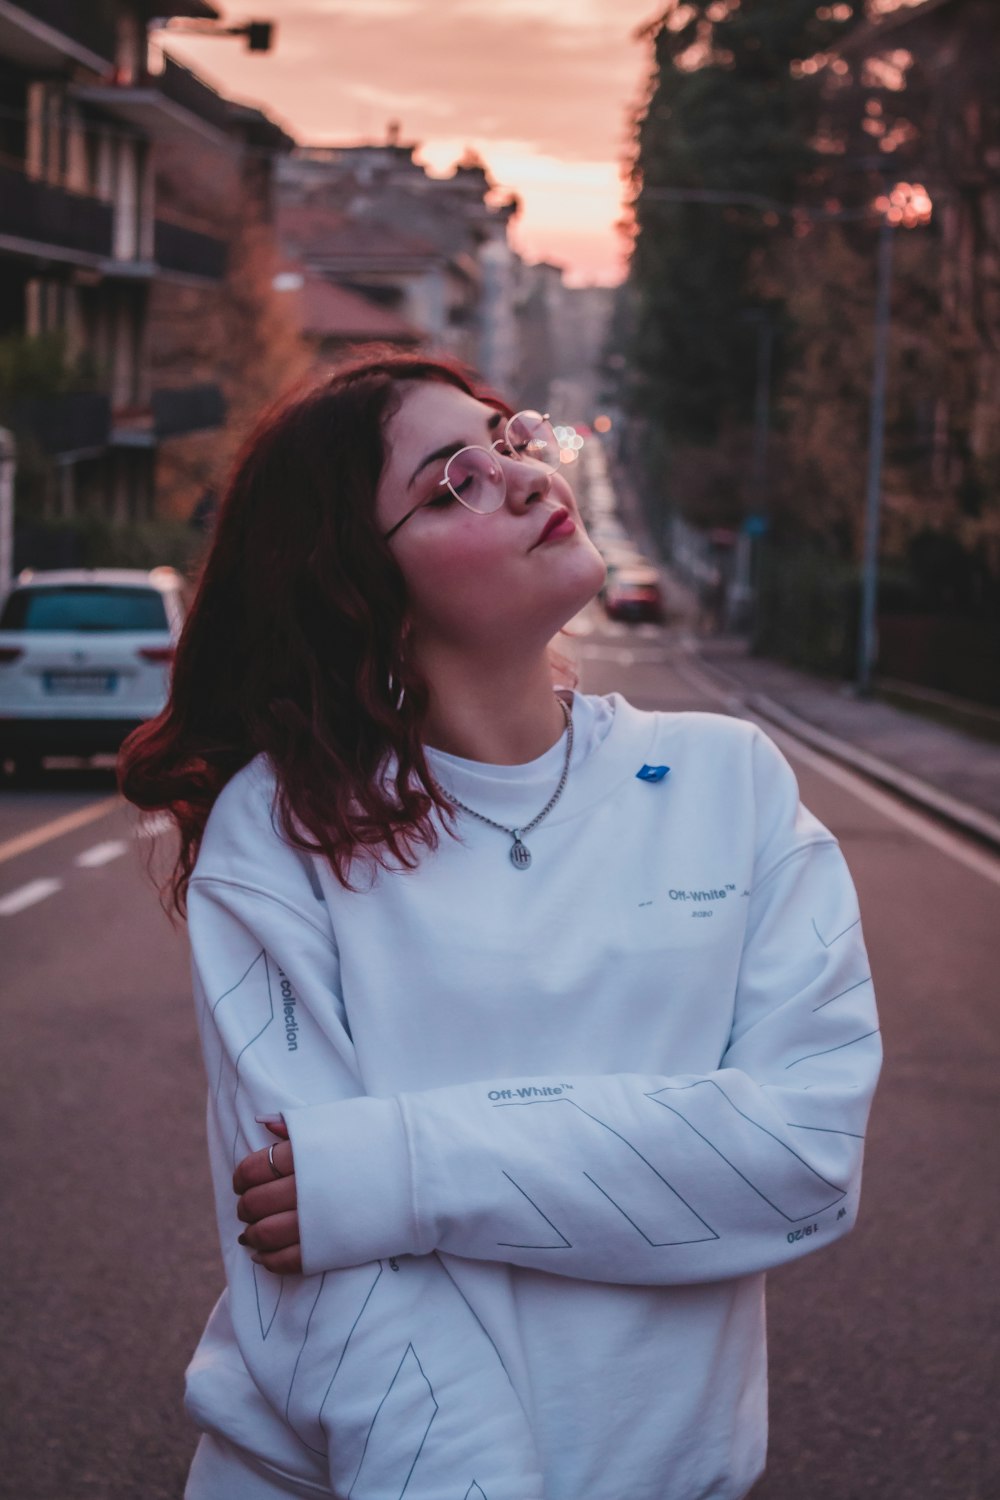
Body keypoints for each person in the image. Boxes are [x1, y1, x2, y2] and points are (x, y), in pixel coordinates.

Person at [119, 347, 881, 1500]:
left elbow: (802, 1158)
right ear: (353, 588)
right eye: (450, 482)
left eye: (508, 440)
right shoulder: (277, 834)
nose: (523, 476)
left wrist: (403, 1171)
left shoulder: (731, 780)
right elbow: (329, 1282)